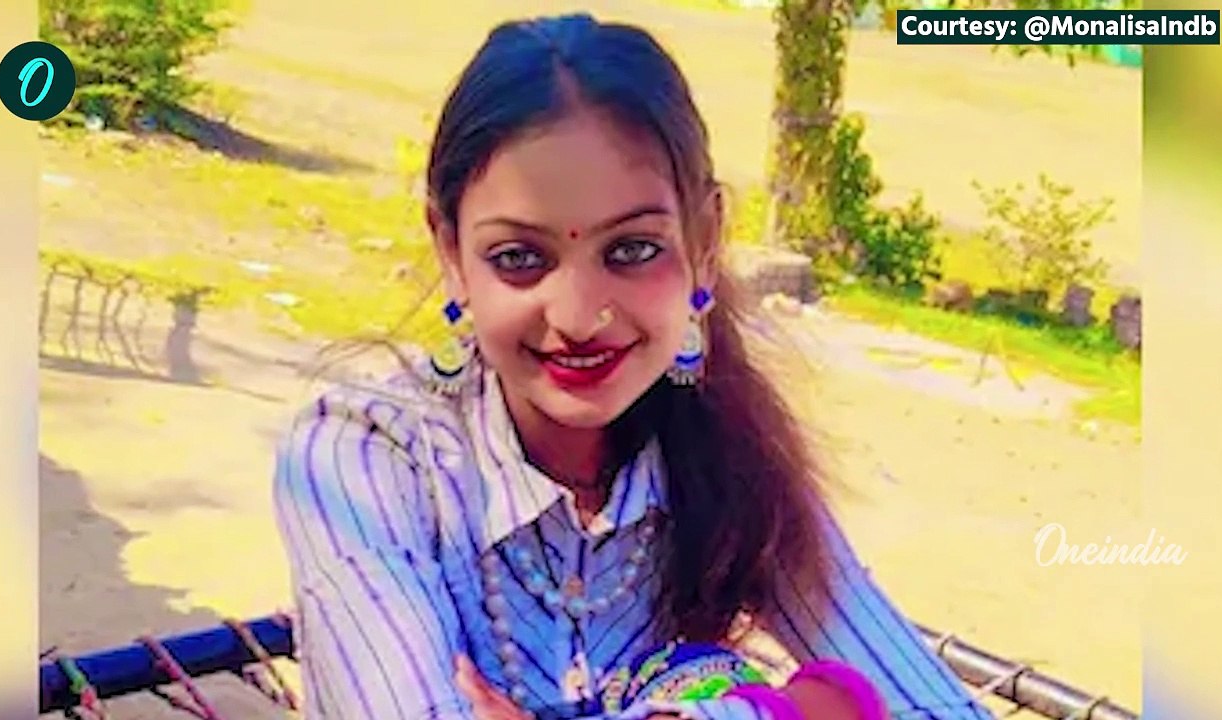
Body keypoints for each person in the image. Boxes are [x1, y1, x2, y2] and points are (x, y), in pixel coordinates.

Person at [273, 12, 995, 720]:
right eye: (519, 258)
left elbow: (934, 707)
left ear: (704, 242)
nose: (578, 316)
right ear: (452, 253)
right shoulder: (363, 459)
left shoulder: (729, 454)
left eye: (632, 251)